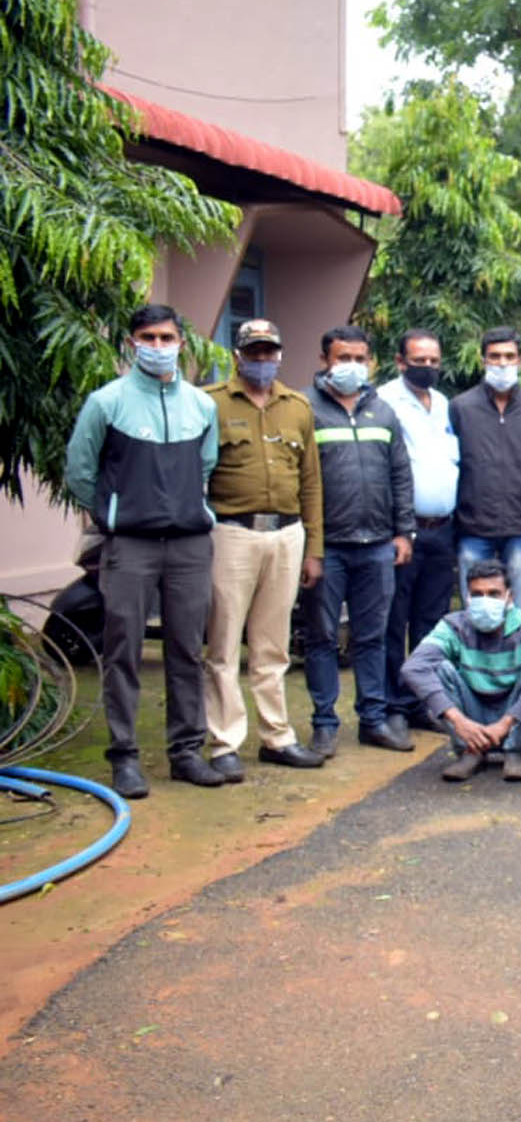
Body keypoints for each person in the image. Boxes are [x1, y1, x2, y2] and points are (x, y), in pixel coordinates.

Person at [64, 304, 218, 796]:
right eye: (147, 337)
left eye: (166, 337)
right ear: (132, 343)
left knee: (187, 650)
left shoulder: (202, 405)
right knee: (123, 649)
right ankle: (125, 757)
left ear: (180, 342)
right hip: (130, 545)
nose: (157, 346)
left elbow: (206, 466)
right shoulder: (106, 403)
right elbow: (80, 472)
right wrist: (113, 515)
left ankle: (186, 752)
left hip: (190, 545)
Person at [200, 318, 325, 778]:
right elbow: (199, 476)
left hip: (287, 536)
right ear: (237, 355)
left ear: (280, 355)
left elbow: (311, 481)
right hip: (232, 533)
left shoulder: (297, 407)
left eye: (269, 352)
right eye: (253, 352)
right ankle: (225, 743)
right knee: (224, 642)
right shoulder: (211, 404)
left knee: (273, 645)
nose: (262, 360)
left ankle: (277, 737)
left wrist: (315, 547)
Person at [304, 325, 416, 758]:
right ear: (324, 360)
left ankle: (373, 719)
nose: (351, 366)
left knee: (374, 636)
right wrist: (308, 544)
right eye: (341, 358)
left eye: (359, 358)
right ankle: (324, 724)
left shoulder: (383, 412)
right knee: (322, 636)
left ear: (371, 362)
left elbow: (400, 475)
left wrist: (403, 531)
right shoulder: (305, 409)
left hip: (377, 546)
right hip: (327, 546)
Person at [400, 559, 521, 782]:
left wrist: (506, 722)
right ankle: (469, 750)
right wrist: (459, 720)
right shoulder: (453, 625)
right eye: (477, 594)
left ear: (509, 597)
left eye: (493, 594)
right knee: (438, 668)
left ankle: (517, 751)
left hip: (514, 713)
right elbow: (413, 667)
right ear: (467, 597)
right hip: (470, 708)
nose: (485, 601)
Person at [378, 328, 460, 732]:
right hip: (404, 531)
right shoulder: (384, 402)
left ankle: (420, 703)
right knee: (396, 620)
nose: (427, 367)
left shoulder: (443, 404)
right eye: (418, 360)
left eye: (433, 360)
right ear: (399, 361)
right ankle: (392, 704)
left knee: (431, 622)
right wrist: (400, 529)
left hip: (442, 530)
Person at [451, 326, 521, 606]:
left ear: (520, 360)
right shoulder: (461, 407)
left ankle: (516, 652)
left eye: (509, 356)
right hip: (473, 526)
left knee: (519, 609)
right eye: (494, 356)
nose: (502, 363)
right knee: (475, 608)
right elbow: (455, 464)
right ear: (483, 361)